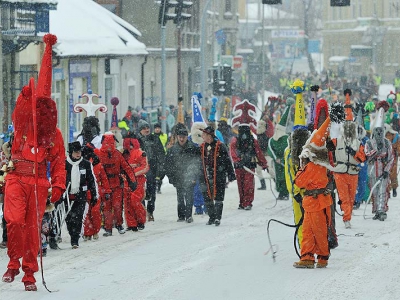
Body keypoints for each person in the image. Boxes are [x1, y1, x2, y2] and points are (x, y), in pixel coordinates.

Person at [2, 34, 66, 291]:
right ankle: (12, 263)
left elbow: (59, 162)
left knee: (31, 230)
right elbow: (20, 111)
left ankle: (29, 272)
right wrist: (25, 97)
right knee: (14, 221)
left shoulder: (55, 135)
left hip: (39, 181)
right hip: (17, 177)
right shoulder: (22, 123)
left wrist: (59, 185)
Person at [293, 117, 333, 269]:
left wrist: (301, 169)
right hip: (313, 202)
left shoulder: (311, 167)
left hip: (316, 202)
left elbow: (299, 181)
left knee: (318, 231)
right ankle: (307, 256)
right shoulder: (319, 166)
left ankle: (321, 257)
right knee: (309, 230)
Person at [330, 90, 366, 229]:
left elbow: (362, 157)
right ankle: (346, 218)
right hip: (339, 172)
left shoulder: (358, 143)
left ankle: (348, 213)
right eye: (347, 128)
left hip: (353, 172)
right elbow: (326, 146)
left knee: (351, 198)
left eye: (351, 129)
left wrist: (354, 153)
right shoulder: (336, 141)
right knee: (344, 197)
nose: (349, 131)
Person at [94, 132, 137, 235]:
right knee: (107, 207)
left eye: (111, 144)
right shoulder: (99, 155)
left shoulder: (117, 154)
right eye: (107, 144)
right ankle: (108, 228)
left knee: (118, 206)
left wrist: (132, 180)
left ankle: (119, 224)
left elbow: (126, 167)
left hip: (117, 184)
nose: (109, 147)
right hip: (104, 185)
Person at [230, 100, 268, 210]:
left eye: (246, 130)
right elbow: (233, 152)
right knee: (241, 186)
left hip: (249, 165)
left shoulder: (253, 141)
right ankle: (242, 202)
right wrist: (237, 161)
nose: (244, 133)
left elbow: (258, 153)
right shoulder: (235, 141)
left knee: (248, 186)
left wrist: (263, 164)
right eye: (242, 130)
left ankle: (247, 202)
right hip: (240, 166)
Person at [198, 126, 236, 226]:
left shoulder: (221, 146)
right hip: (205, 176)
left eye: (204, 135)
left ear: (209, 136)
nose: (202, 136)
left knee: (218, 197)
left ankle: (217, 218)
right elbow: (198, 162)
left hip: (219, 175)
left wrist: (231, 174)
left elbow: (228, 161)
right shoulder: (201, 147)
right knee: (207, 198)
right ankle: (211, 217)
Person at [364, 101, 394, 221]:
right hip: (372, 170)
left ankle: (382, 210)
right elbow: (367, 154)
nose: (378, 133)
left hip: (383, 170)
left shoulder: (387, 143)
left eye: (380, 131)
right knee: (374, 191)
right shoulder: (368, 143)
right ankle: (376, 210)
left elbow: (391, 157)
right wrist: (376, 150)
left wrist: (387, 170)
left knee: (383, 191)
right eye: (376, 131)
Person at [64, 142, 98, 248]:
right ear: (71, 153)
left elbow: (91, 180)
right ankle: (72, 233)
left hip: (80, 196)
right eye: (76, 152)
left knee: (78, 218)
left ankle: (75, 239)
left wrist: (93, 195)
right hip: (68, 197)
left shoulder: (86, 164)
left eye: (79, 152)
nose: (78, 154)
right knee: (69, 219)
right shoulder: (65, 164)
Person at [165, 127, 200, 223]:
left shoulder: (193, 148)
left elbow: (198, 163)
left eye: (183, 137)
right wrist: (171, 177)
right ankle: (181, 216)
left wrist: (194, 176)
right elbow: (168, 165)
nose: (181, 139)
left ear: (186, 137)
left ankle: (188, 215)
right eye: (180, 137)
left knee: (189, 197)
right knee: (180, 197)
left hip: (190, 176)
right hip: (178, 177)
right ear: (177, 137)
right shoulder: (172, 150)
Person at [137, 120, 165, 221]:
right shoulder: (136, 140)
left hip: (152, 168)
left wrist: (161, 168)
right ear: (140, 130)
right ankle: (143, 211)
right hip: (139, 170)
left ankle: (150, 210)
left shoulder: (155, 138)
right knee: (141, 192)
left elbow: (161, 154)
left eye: (148, 127)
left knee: (152, 191)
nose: (147, 130)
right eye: (144, 128)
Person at [81, 144, 110, 241]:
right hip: (84, 191)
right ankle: (87, 232)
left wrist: (107, 191)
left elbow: (104, 179)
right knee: (86, 213)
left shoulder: (98, 165)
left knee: (95, 212)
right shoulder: (81, 164)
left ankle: (95, 231)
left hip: (96, 191)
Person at [124, 136, 148, 231]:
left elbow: (145, 167)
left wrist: (131, 172)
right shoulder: (123, 153)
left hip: (138, 181)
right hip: (127, 181)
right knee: (128, 203)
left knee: (135, 200)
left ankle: (140, 221)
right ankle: (131, 224)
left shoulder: (141, 153)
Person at [268, 102, 291, 200]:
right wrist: (275, 157)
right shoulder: (272, 140)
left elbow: (289, 149)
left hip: (285, 161)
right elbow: (270, 149)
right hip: (277, 163)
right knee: (278, 178)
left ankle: (285, 193)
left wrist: (285, 158)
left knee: (286, 177)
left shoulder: (287, 139)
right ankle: (280, 192)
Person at [384, 123, 400, 197]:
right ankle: (388, 190)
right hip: (386, 157)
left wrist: (397, 151)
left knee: (391, 174)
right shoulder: (384, 134)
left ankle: (392, 189)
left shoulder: (395, 136)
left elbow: (398, 146)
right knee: (387, 174)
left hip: (392, 157)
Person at [152, 123, 167, 194]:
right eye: (156, 128)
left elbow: (167, 144)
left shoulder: (164, 136)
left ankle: (159, 184)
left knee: (162, 171)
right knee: (156, 171)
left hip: (163, 155)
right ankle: (157, 186)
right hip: (154, 156)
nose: (157, 129)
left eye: (158, 128)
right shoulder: (151, 136)